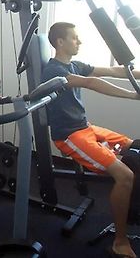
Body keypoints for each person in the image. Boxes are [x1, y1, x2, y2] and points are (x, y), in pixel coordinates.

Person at [42, 21, 140, 258]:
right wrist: (132, 95)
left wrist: (135, 74)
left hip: (86, 128)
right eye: (75, 38)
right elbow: (90, 82)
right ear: (60, 42)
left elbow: (114, 71)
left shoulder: (75, 64)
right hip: (69, 135)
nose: (80, 41)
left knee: (136, 147)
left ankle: (132, 211)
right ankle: (120, 242)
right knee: (125, 176)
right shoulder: (53, 71)